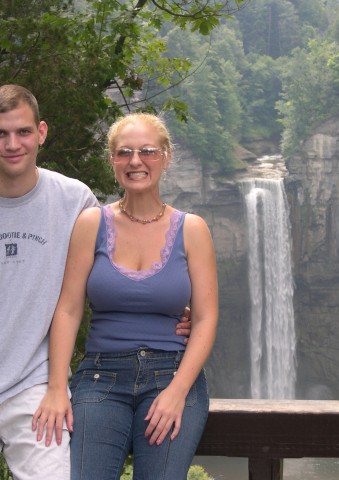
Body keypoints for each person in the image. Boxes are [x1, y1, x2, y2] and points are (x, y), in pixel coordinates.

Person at [0, 85, 191, 479]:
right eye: (0, 133)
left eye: (23, 132)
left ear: (41, 132)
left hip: (37, 388)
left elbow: (114, 270)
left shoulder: (74, 201)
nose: (12, 144)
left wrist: (167, 311)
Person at [33, 113, 218, 480]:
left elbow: (206, 317)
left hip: (173, 373)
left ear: (166, 156)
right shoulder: (91, 224)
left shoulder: (192, 230)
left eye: (148, 151)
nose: (136, 161)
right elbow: (68, 310)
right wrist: (56, 387)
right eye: (124, 153)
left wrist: (178, 391)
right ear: (112, 160)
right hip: (101, 377)